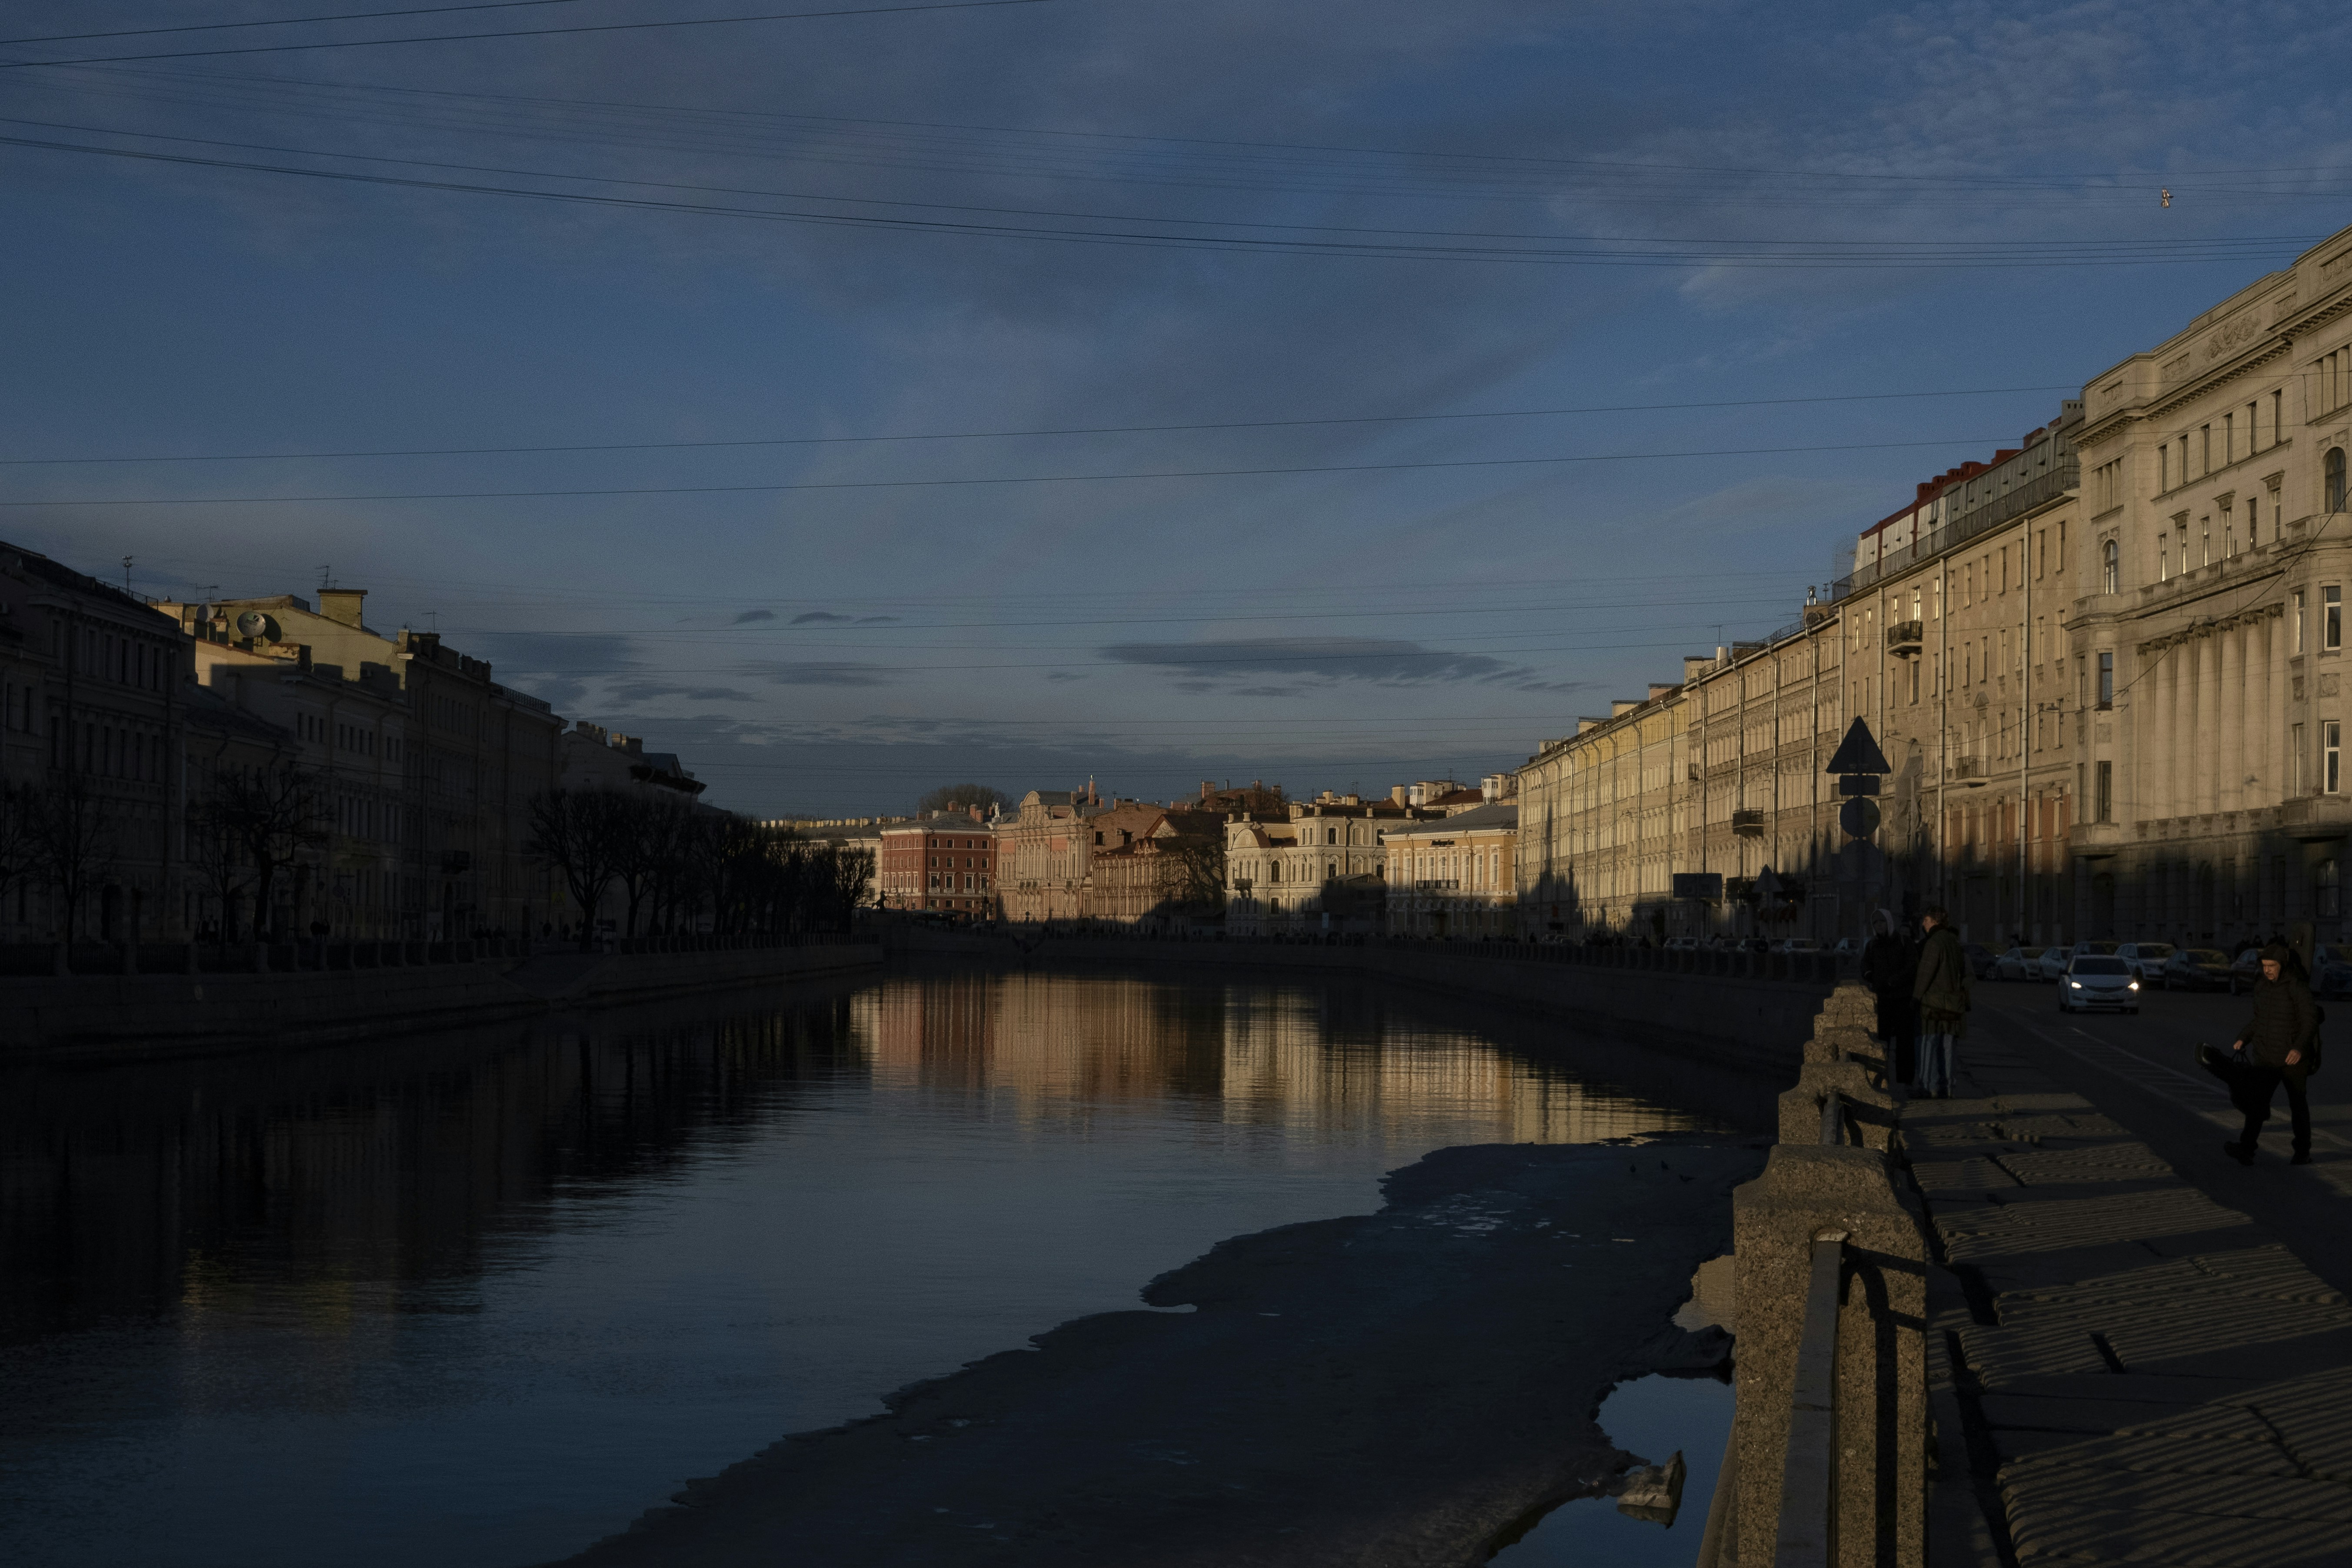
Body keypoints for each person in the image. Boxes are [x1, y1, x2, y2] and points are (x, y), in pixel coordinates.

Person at [2202, 943, 2319, 1165]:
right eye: (2265, 966)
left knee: (2298, 1106)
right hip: (2266, 1057)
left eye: (2272, 966)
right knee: (2256, 1104)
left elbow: (2310, 1019)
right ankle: (2246, 1149)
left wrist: (2299, 1048)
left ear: (2282, 965)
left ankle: (2303, 1152)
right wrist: (2243, 1037)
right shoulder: (2262, 987)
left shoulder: (2296, 986)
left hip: (2292, 1060)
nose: (2268, 970)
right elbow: (2259, 1020)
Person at [1911, 905, 1969, 1098]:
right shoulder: (1955, 942)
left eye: (1926, 921)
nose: (1923, 925)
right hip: (1954, 1003)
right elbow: (1966, 974)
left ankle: (1928, 1086)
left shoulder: (1934, 943)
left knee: (1929, 1043)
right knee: (1949, 1045)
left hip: (1934, 1003)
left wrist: (1916, 998)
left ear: (1934, 922)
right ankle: (1949, 1086)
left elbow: (1925, 974)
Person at [1862, 909, 1920, 1083]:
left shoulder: (1904, 942)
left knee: (1905, 1043)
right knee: (1881, 1042)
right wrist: (1870, 976)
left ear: (1889, 922)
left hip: (1903, 999)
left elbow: (1912, 968)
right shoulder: (1872, 945)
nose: (1879, 925)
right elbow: (1865, 965)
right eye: (1876, 923)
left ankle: (1905, 1081)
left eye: (1882, 922)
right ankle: (1881, 1079)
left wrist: (1893, 981)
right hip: (1883, 1000)